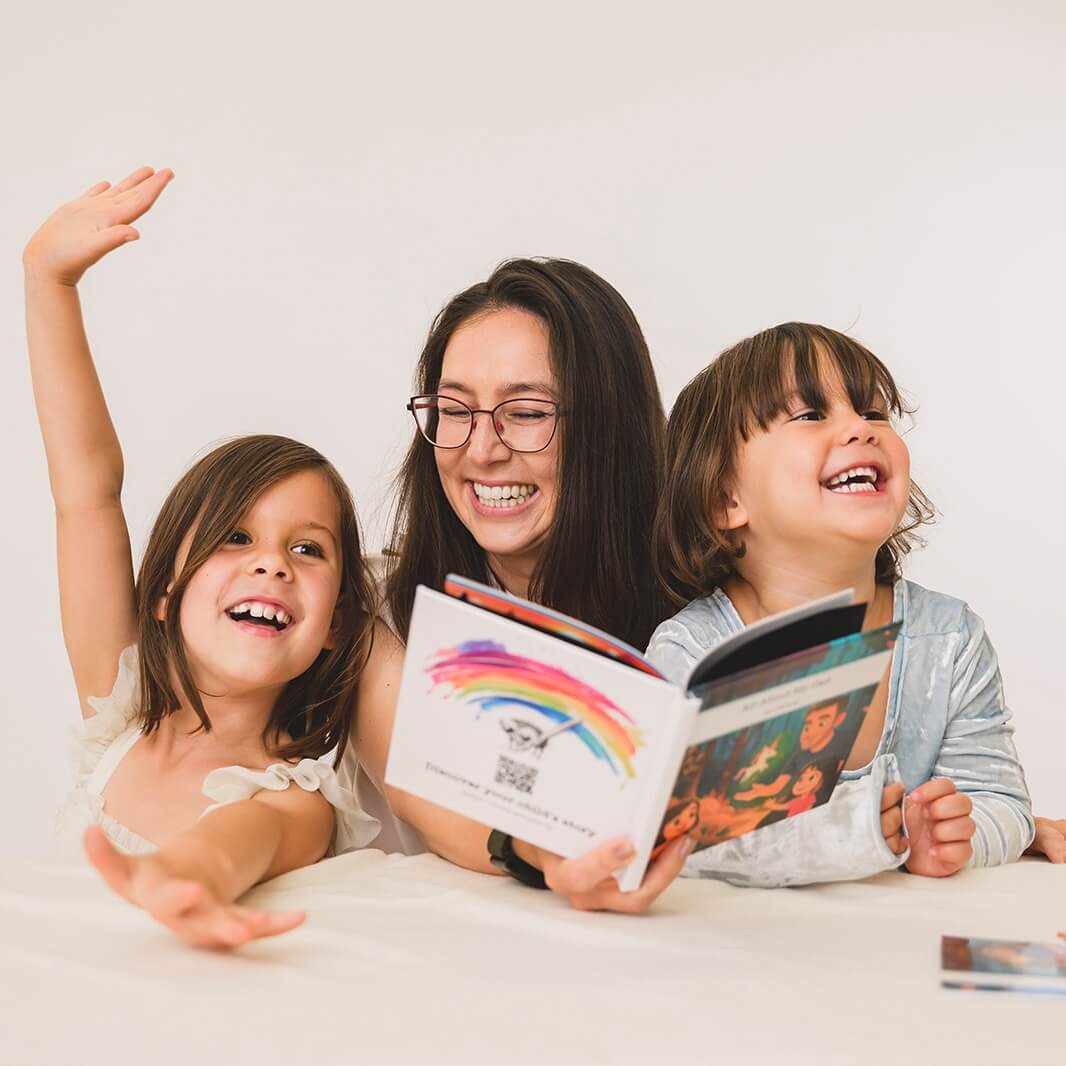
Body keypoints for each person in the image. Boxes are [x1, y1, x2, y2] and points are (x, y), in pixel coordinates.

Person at [24, 168, 379, 946]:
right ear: (161, 595)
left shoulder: (296, 798)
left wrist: (190, 879)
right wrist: (47, 280)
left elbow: (240, 843)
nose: (272, 565)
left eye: (307, 549)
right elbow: (85, 490)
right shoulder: (112, 712)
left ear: (334, 629)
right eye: (234, 537)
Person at [348, 258, 692, 911]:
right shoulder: (375, 610)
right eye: (455, 409)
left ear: (607, 427)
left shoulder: (694, 620)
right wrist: (539, 856)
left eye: (525, 411)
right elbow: (422, 780)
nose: (481, 450)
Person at [648, 322, 1034, 886]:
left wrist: (955, 837)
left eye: (875, 413)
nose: (861, 428)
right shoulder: (694, 650)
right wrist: (859, 833)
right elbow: (681, 833)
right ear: (725, 499)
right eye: (810, 415)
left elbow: (1003, 801)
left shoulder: (947, 639)